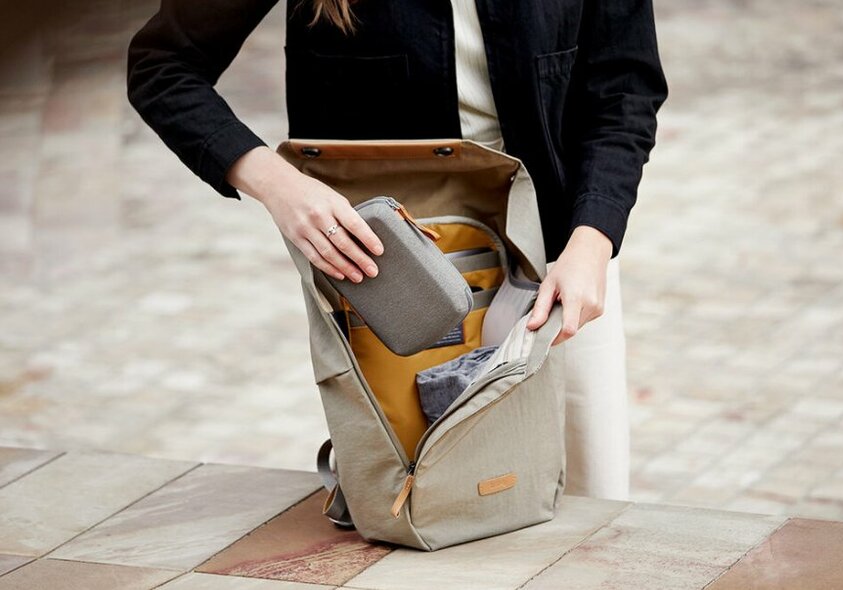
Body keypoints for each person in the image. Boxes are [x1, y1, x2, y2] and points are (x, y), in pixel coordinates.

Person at [127, 0, 668, 500]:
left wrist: (594, 238)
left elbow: (625, 86)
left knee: (589, 502)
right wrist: (278, 181)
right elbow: (163, 65)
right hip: (390, 276)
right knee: (423, 505)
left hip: (561, 261)